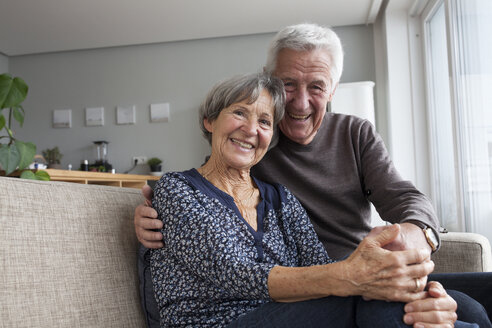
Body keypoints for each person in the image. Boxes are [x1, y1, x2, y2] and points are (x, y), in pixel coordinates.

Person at [136, 24, 492, 327]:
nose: (299, 103)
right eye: (287, 85)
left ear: (333, 90)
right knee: (381, 302)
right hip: (274, 303)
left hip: (333, 283)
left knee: (472, 301)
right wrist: (149, 216)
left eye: (263, 120)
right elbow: (223, 241)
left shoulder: (300, 176)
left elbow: (403, 198)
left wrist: (414, 241)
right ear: (209, 120)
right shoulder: (198, 180)